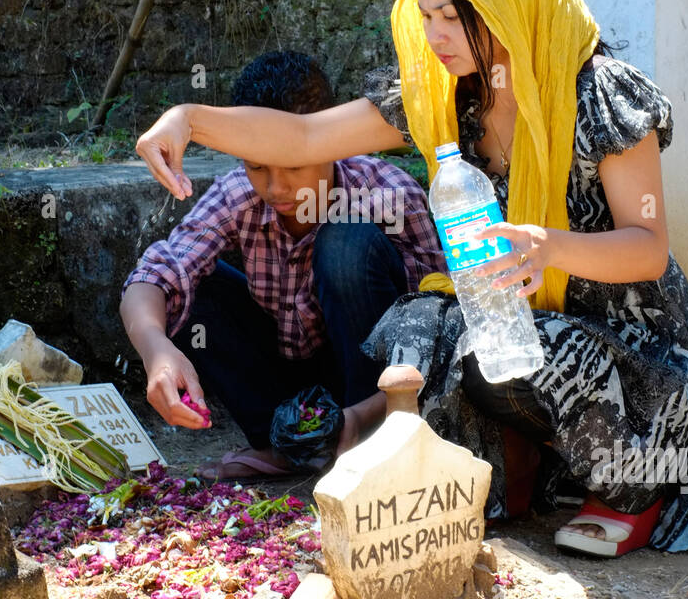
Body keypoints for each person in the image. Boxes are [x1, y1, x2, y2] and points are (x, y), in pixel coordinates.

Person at [133, 0, 688, 556]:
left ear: (502, 1)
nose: (435, 34)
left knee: (514, 341)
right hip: (525, 316)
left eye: (451, 15)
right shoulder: (449, 98)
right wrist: (187, 120)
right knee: (425, 324)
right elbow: (303, 135)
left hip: (635, 346)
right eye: (426, 15)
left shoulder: (600, 93)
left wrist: (551, 247)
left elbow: (648, 247)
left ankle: (633, 488)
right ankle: (516, 472)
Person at [120, 50, 447, 479]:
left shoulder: (389, 194)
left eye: (293, 163)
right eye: (256, 165)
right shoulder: (237, 195)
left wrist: (375, 410)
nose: (276, 187)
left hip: (374, 388)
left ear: (331, 140)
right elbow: (153, 275)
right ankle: (288, 446)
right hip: (285, 387)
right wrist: (156, 350)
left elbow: (442, 325)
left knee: (347, 240)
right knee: (189, 293)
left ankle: (369, 442)